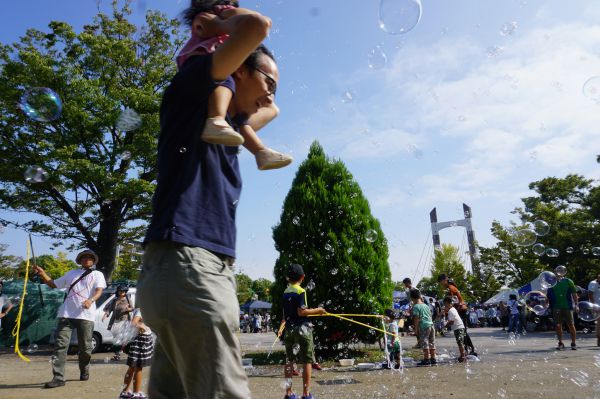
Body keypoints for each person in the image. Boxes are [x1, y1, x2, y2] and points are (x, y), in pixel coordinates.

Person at [136, 1, 277, 395]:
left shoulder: (224, 125)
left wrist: (255, 94)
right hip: (192, 265)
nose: (271, 96)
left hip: (180, 268)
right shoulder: (197, 81)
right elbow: (257, 26)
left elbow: (272, 110)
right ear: (236, 68)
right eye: (269, 82)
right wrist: (223, 22)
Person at [179, 0, 292, 170]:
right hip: (202, 61)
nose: (269, 95)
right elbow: (256, 22)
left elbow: (252, 21)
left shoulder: (220, 20)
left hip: (213, 70)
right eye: (268, 84)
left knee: (240, 117)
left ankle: (260, 152)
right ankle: (216, 119)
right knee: (226, 81)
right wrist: (227, 17)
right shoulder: (213, 14)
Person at [33, 249, 106, 388]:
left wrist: (90, 300)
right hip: (66, 314)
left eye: (90, 257)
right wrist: (42, 273)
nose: (87, 259)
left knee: (85, 347)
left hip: (86, 315)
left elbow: (99, 291)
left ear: (93, 260)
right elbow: (54, 284)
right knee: (60, 346)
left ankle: (84, 369)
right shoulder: (71, 273)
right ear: (79, 260)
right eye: (84, 257)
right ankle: (58, 378)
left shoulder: (98, 274)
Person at [282, 263, 326, 399]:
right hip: (302, 329)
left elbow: (287, 313)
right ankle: (306, 394)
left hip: (289, 329)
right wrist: (318, 311)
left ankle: (289, 393)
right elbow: (301, 312)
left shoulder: (285, 292)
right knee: (307, 361)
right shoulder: (301, 291)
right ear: (302, 277)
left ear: (288, 278)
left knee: (289, 361)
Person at [119, 308, 155, 399]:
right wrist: (142, 326)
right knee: (138, 367)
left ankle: (125, 392)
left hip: (139, 339)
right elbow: (133, 322)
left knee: (132, 367)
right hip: (142, 340)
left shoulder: (139, 308)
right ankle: (136, 393)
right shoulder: (142, 309)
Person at [438, 274, 476, 355]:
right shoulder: (450, 288)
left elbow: (451, 303)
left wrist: (444, 311)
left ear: (444, 280)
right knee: (463, 331)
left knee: (462, 331)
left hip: (461, 310)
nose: (440, 284)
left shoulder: (451, 288)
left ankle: (470, 350)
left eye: (440, 282)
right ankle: (468, 349)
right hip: (461, 310)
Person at [547, 266, 578, 350]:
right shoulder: (552, 282)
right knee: (558, 326)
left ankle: (573, 343)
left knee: (571, 325)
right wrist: (547, 305)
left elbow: (574, 294)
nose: (559, 272)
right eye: (557, 270)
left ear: (564, 272)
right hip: (556, 307)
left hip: (567, 307)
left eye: (561, 270)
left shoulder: (568, 281)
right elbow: (548, 296)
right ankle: (560, 343)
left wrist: (576, 304)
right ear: (554, 272)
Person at [103, 284, 134, 361]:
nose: (122, 292)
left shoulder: (127, 299)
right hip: (115, 321)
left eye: (123, 291)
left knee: (120, 339)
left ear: (125, 292)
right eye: (120, 291)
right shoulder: (115, 300)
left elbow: (132, 308)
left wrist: (128, 309)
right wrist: (105, 315)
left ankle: (120, 354)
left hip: (124, 321)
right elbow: (110, 309)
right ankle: (119, 354)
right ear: (118, 291)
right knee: (116, 338)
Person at [410, 288, 436, 367]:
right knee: (431, 342)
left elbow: (416, 318)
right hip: (431, 325)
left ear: (412, 298)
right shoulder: (425, 305)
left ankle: (426, 360)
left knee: (425, 342)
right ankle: (433, 359)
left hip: (424, 326)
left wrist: (416, 330)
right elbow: (430, 315)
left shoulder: (416, 307)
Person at [443, 296, 467, 362]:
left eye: (445, 304)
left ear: (447, 303)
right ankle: (463, 354)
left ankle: (463, 356)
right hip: (459, 327)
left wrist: (445, 326)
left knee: (460, 342)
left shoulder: (451, 311)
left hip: (458, 327)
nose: (445, 305)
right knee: (460, 342)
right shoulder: (452, 309)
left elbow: (452, 321)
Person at [588, 273, 600, 346]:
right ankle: (599, 340)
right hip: (596, 306)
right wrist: (593, 305)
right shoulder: (593, 283)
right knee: (599, 323)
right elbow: (590, 294)